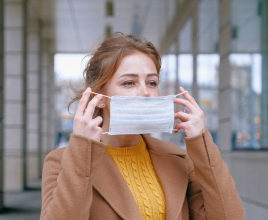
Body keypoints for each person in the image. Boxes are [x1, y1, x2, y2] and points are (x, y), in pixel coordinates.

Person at [40, 34, 244, 219]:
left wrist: (201, 143)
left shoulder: (179, 160)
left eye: (152, 83)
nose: (146, 92)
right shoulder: (61, 162)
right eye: (129, 83)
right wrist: (83, 148)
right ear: (99, 98)